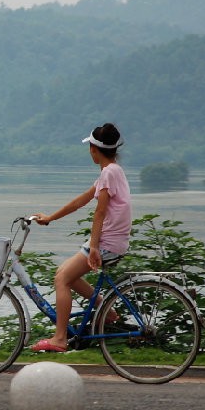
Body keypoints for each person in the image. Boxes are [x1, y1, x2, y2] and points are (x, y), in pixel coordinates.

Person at [30, 123, 131, 352]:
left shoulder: (108, 174)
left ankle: (59, 338)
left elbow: (100, 212)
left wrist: (94, 247)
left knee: (62, 279)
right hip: (113, 240)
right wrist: (50, 217)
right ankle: (107, 311)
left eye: (91, 147)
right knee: (66, 274)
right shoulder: (114, 171)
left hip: (107, 242)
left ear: (94, 149)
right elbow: (81, 201)